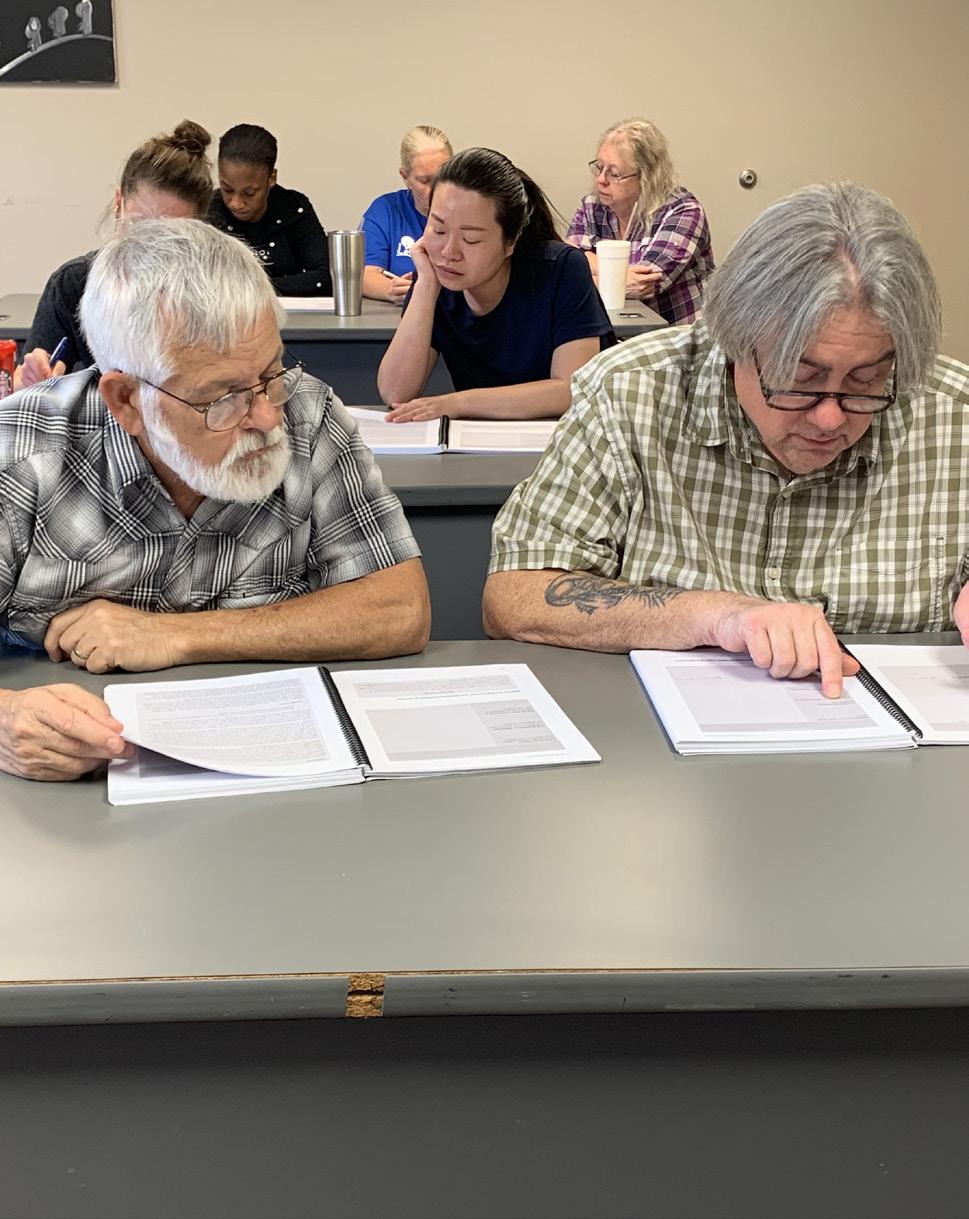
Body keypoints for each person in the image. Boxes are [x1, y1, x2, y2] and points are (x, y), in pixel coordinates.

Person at [484, 182, 969, 698]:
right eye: (800, 379)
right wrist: (714, 614)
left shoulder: (952, 414)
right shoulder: (630, 392)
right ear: (733, 339)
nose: (830, 418)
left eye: (866, 380)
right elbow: (513, 595)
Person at [0, 218, 430, 782]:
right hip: (77, 783)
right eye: (223, 397)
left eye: (271, 373)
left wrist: (172, 636)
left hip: (279, 768)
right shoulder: (22, 450)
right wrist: (7, 719)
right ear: (127, 400)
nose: (268, 417)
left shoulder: (309, 414)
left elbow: (400, 610)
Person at [378, 147, 615, 423]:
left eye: (471, 239)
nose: (449, 252)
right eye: (438, 229)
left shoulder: (561, 269)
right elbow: (395, 392)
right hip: (480, 441)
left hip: (565, 436)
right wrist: (426, 287)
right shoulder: (436, 274)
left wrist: (457, 403)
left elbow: (569, 389)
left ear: (510, 241)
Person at [15, 120, 213, 389]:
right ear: (119, 204)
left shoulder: (214, 293)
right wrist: (29, 383)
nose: (149, 247)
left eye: (169, 236)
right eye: (138, 225)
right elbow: (32, 385)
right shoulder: (73, 284)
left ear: (198, 230)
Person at [565, 118, 714, 325]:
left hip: (678, 334)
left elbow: (643, 284)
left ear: (646, 177)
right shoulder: (591, 206)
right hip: (616, 329)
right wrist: (615, 278)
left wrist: (587, 270)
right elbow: (568, 266)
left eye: (614, 174)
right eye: (599, 168)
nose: (601, 180)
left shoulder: (684, 211)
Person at [209, 123, 331, 296]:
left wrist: (255, 290)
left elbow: (326, 277)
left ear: (271, 178)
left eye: (249, 193)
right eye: (227, 190)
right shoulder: (208, 209)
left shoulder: (293, 208)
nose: (236, 203)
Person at [361, 125, 453, 305]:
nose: (436, 188)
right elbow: (365, 274)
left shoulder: (471, 211)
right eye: (425, 181)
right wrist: (392, 289)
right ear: (405, 176)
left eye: (443, 177)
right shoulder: (386, 210)